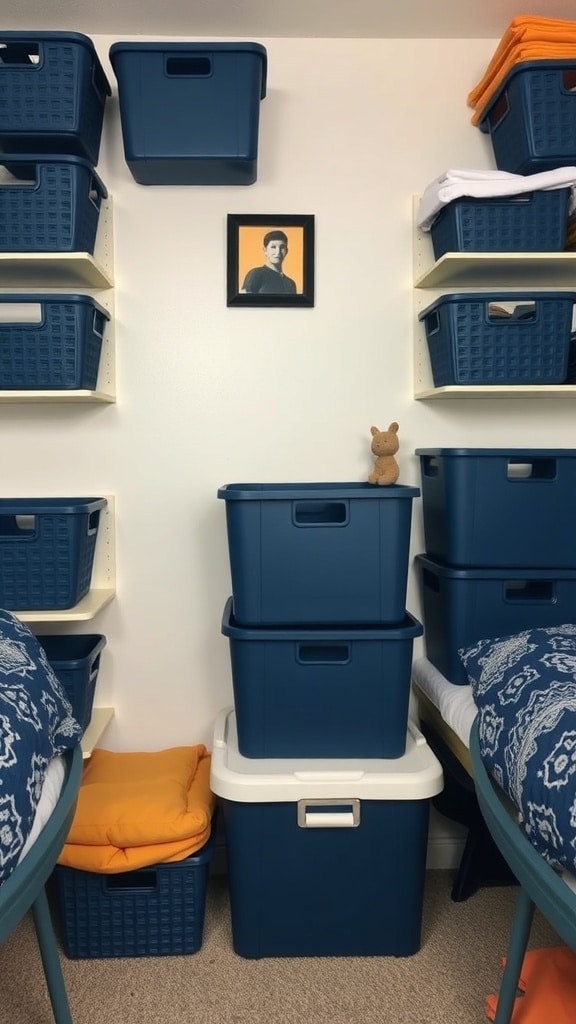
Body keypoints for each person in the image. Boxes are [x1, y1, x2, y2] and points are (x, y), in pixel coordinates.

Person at [240, 230, 298, 295]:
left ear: (286, 251)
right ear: (265, 250)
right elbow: (244, 303)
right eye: (273, 247)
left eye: (282, 247)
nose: (278, 252)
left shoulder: (291, 284)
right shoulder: (255, 275)